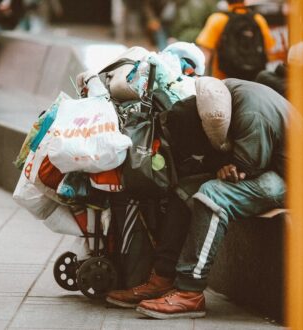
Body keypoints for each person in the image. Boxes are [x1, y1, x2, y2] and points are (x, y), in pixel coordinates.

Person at [107, 77, 289, 319]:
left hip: (296, 180)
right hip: (268, 164)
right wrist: (224, 166)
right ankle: (162, 277)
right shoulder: (222, 97)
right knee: (184, 190)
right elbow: (232, 163)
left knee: (212, 194)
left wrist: (229, 167)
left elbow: (247, 167)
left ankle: (190, 291)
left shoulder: (252, 116)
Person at [196, 0, 275, 80]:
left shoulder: (218, 19)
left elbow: (204, 56)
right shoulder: (258, 19)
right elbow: (269, 51)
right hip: (254, 81)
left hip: (224, 82)